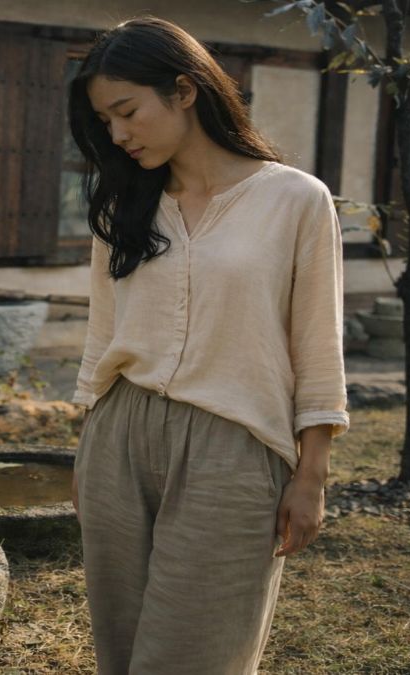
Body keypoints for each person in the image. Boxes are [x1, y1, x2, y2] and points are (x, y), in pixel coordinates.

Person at [67, 16, 350, 675]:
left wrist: (312, 474)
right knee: (122, 647)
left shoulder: (295, 200)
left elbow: (317, 345)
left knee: (195, 656)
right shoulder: (124, 205)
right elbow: (103, 333)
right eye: (105, 121)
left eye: (127, 111)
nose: (117, 134)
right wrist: (86, 446)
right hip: (119, 436)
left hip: (234, 446)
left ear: (186, 90)